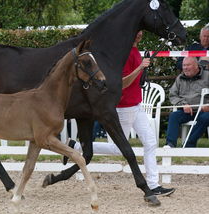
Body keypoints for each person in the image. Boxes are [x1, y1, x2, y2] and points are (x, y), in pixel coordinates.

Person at [64, 31, 175, 196]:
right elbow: (121, 84)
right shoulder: (124, 55)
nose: (139, 34)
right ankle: (76, 146)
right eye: (135, 32)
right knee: (118, 149)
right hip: (124, 107)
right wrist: (140, 68)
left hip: (136, 106)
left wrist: (142, 68)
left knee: (151, 143)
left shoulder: (136, 51)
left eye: (140, 32)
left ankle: (153, 185)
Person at [165, 57, 209, 148]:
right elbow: (173, 95)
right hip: (186, 111)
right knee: (174, 116)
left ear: (196, 66)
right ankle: (170, 144)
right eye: (184, 65)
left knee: (206, 118)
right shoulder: (180, 78)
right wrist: (183, 104)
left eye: (188, 65)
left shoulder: (207, 76)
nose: (185, 68)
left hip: (204, 111)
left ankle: (189, 144)